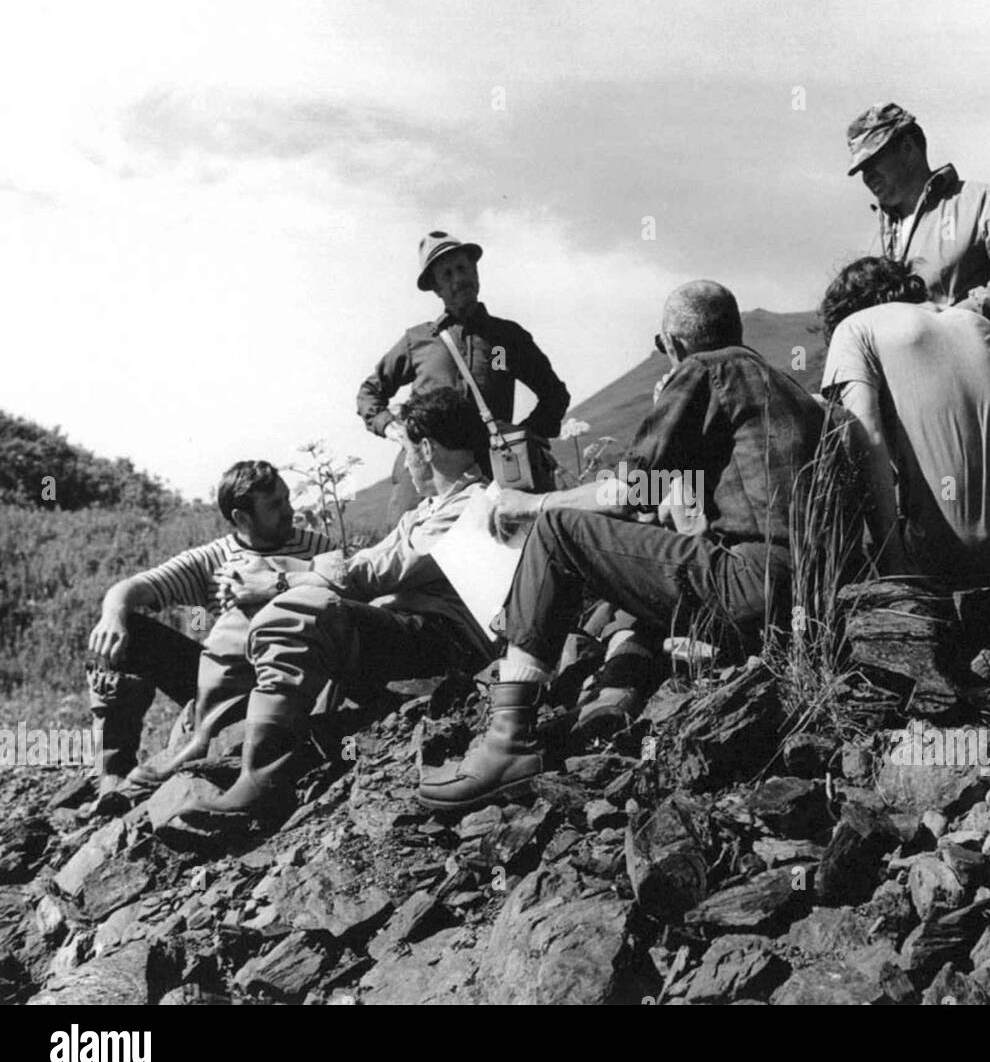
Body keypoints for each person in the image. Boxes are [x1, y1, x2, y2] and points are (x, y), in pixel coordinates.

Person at [416, 280, 829, 815]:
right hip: (803, 595)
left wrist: (532, 505)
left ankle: (507, 742)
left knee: (559, 530)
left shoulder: (706, 370)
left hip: (749, 584)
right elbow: (665, 496)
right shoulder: (786, 389)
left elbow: (628, 489)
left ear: (673, 344)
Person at [164, 387, 497, 832]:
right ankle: (220, 737)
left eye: (405, 451)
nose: (404, 464)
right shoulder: (425, 511)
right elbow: (356, 567)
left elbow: (374, 572)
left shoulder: (474, 503)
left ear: (426, 448)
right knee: (254, 611)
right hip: (404, 629)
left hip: (443, 641)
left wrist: (280, 578)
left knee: (299, 610)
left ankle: (261, 782)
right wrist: (279, 574)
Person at [86, 463, 337, 805]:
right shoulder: (212, 558)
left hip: (293, 674)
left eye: (287, 499)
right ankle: (113, 775)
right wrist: (113, 616)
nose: (290, 511)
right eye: (275, 505)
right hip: (227, 676)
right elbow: (133, 587)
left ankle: (215, 744)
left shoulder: (316, 547)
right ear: (242, 518)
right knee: (123, 630)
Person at [818, 256, 990, 587]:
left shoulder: (854, 328)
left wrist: (892, 567)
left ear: (843, 310)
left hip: (948, 553)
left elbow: (866, 441)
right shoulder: (976, 322)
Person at [357, 229, 571, 525]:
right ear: (436, 288)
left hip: (489, 472)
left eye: (462, 268)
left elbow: (554, 395)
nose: (458, 280)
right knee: (410, 549)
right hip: (425, 470)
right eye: (446, 274)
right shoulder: (418, 340)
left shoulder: (506, 338)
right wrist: (397, 432)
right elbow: (369, 392)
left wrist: (523, 435)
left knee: (504, 547)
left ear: (476, 271)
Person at [846, 103, 990, 334]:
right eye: (861, 171)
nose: (868, 177)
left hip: (967, 366)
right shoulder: (878, 242)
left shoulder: (980, 203)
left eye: (872, 162)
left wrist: (964, 316)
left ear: (907, 148)